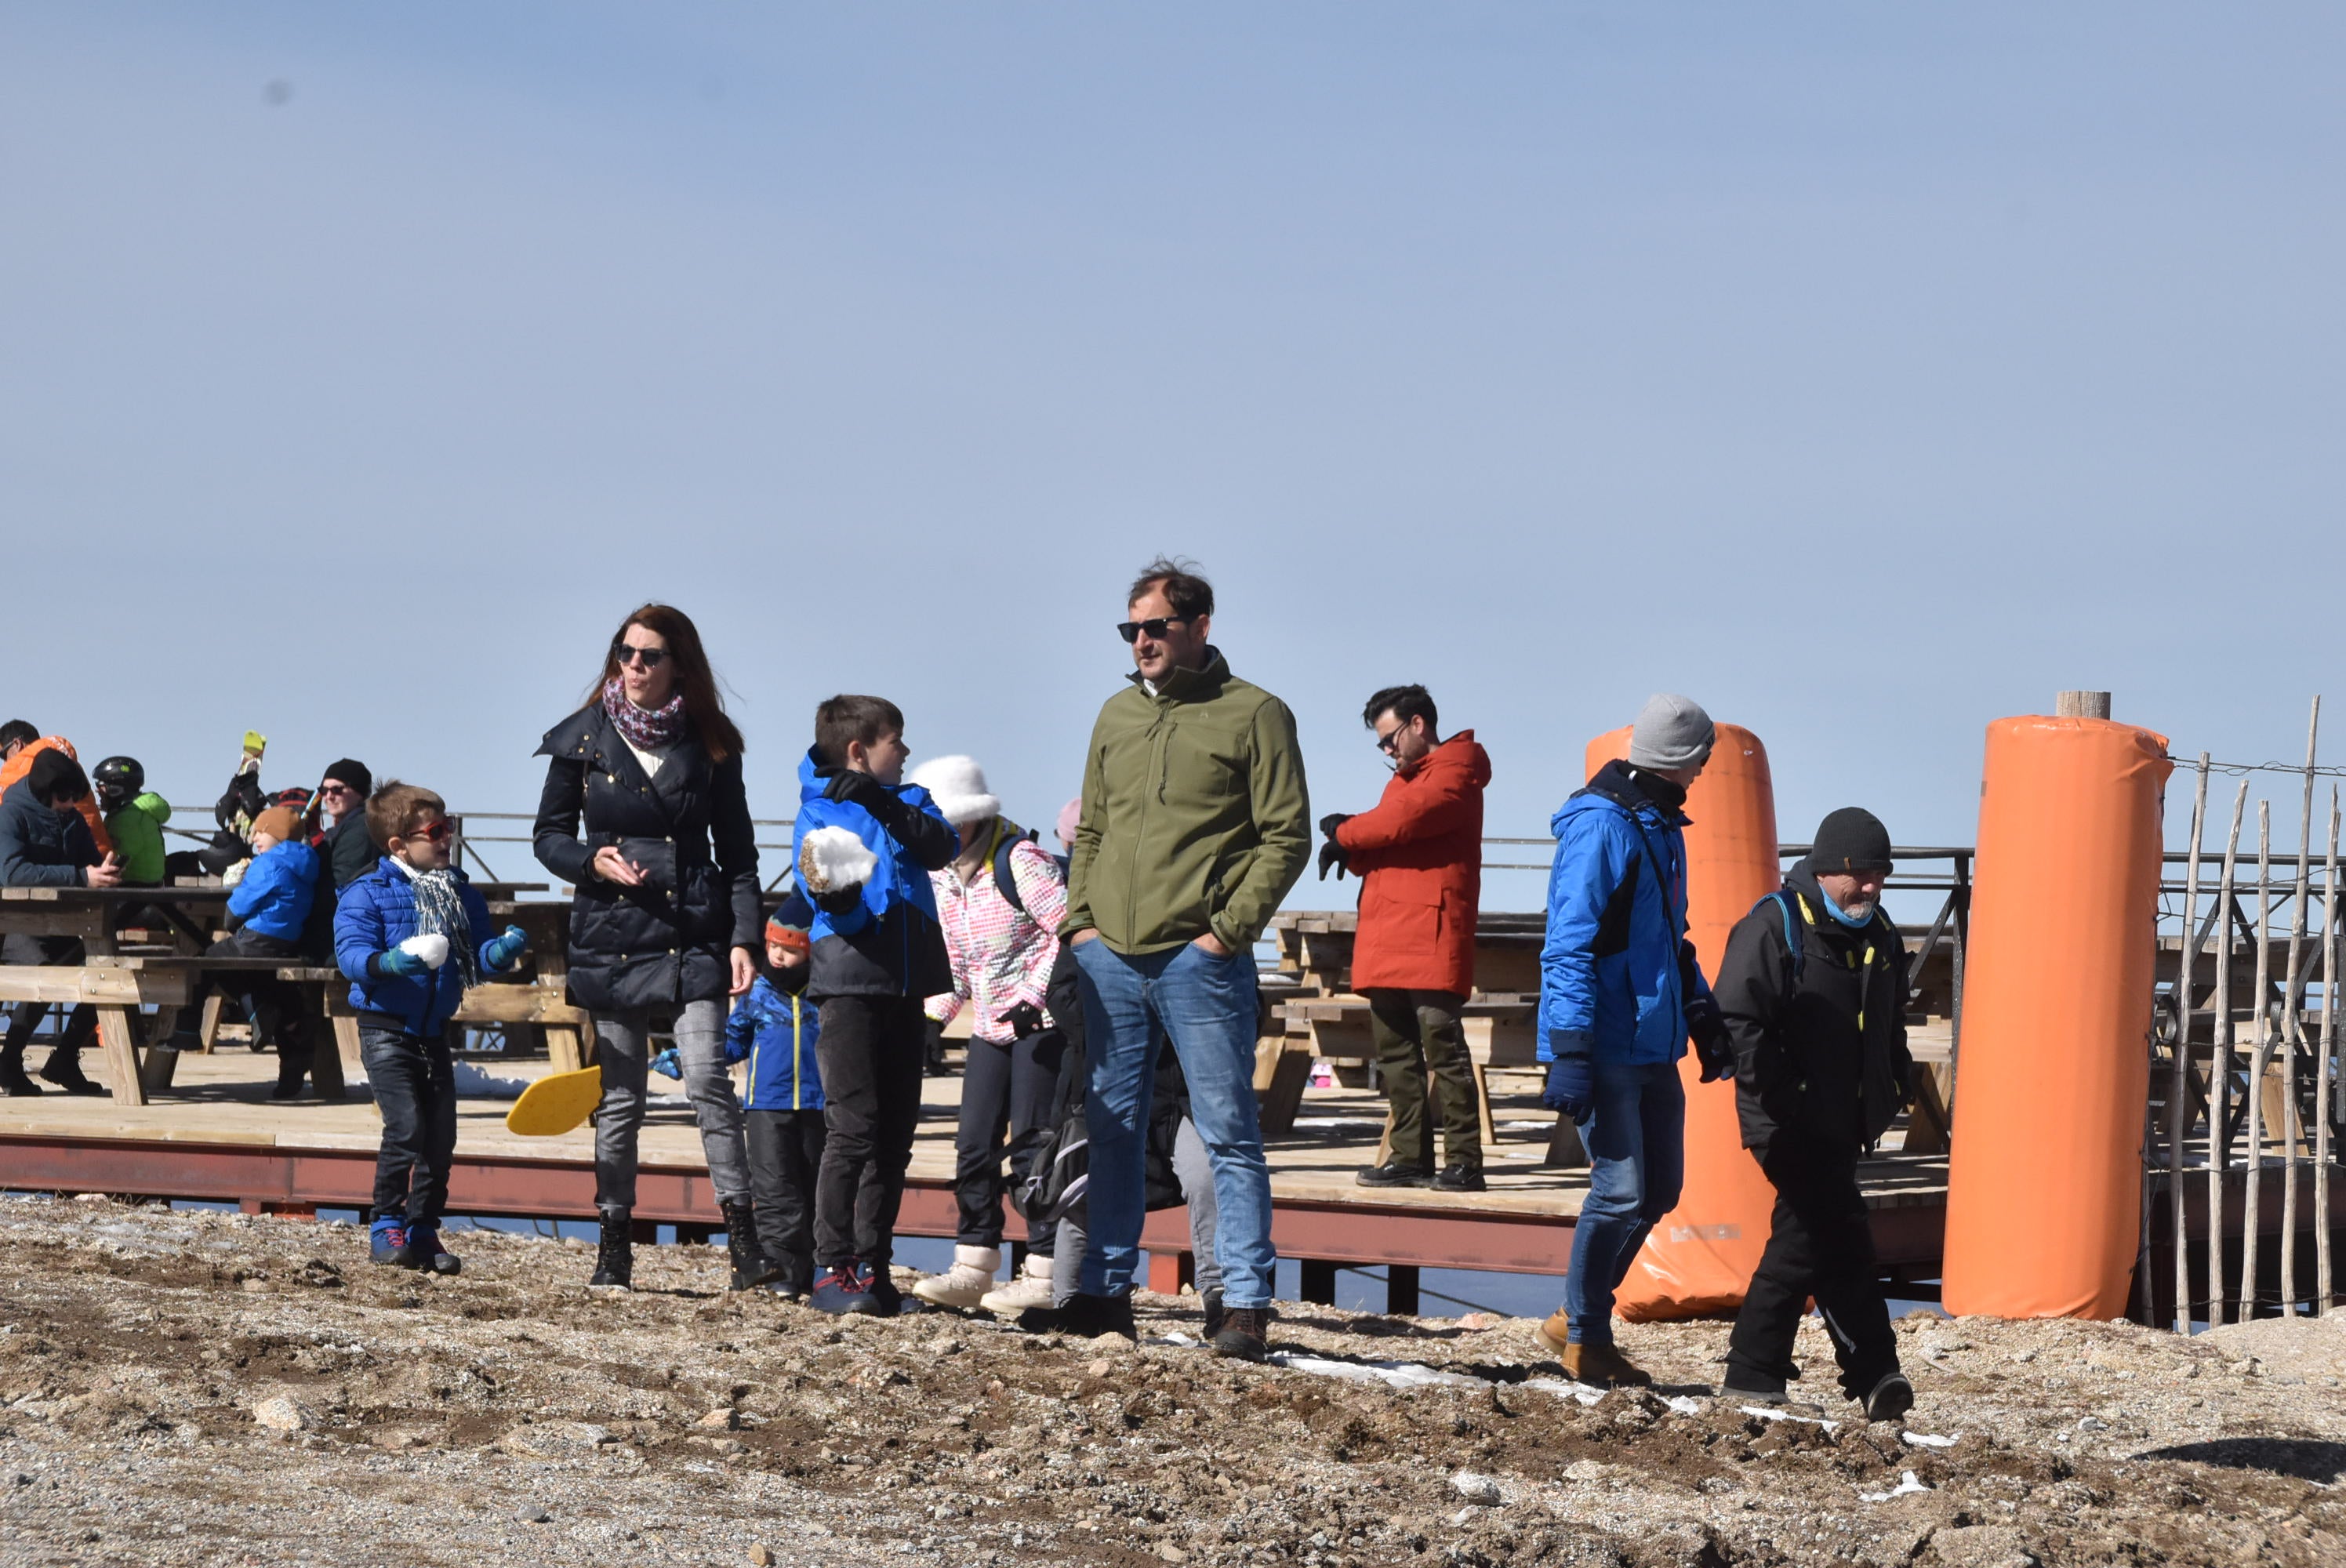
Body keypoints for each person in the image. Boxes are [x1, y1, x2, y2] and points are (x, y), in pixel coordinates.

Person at [1058, 557, 1310, 1361]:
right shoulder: (1114, 715)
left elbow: (1286, 834)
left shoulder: (1256, 714)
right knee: (1113, 1125)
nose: (1140, 641)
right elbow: (1090, 827)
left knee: (1227, 1131)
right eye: (1130, 629)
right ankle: (1102, 1295)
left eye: (1154, 626)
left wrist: (1226, 931)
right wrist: (1080, 923)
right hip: (1110, 959)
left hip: (1200, 959)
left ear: (1200, 625)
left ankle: (1241, 1303)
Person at [531, 604, 767, 1294]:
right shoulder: (580, 740)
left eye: (649, 655)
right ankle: (613, 1247)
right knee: (621, 1097)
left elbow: (742, 855)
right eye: (625, 653)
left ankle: (745, 1245)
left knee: (708, 1083)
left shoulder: (712, 743)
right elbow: (548, 837)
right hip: (612, 935)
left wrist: (744, 938)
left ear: (678, 665)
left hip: (694, 933)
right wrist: (591, 862)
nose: (633, 666)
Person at [1534, 692, 1734, 1385]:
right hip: (1605, 1041)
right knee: (1618, 1192)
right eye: (1702, 755)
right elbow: (1568, 947)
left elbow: (1668, 944)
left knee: (1661, 1192)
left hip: (1654, 1040)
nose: (1707, 767)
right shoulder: (1601, 828)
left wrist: (1703, 1018)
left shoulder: (1660, 824)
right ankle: (1588, 1339)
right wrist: (1570, 1050)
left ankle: (1573, 1312)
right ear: (1681, 758)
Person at [1714, 808, 1916, 1422]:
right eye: (1863, 876)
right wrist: (1785, 1093)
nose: (1874, 887)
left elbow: (1889, 1024)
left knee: (1823, 1237)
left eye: (1882, 875)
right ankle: (1832, 1370)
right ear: (1828, 870)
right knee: (1822, 1235)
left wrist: (1894, 1080)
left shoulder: (1878, 934)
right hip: (1785, 1120)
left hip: (1845, 1121)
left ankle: (1852, 1374)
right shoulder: (1774, 927)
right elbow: (1736, 1020)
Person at [791, 695, 957, 1316]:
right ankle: (831, 1270)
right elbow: (828, 899)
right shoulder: (816, 811)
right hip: (851, 986)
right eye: (897, 740)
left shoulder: (910, 800)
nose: (907, 751)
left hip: (906, 987)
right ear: (860, 750)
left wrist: (880, 800)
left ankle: (873, 1267)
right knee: (854, 1130)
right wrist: (840, 902)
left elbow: (939, 847)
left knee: (894, 1138)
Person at [337, 781, 530, 1272]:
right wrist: (393, 962)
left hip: (433, 1031)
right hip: (385, 1028)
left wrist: (501, 953)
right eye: (436, 831)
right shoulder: (368, 891)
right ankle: (385, 1223)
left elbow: (477, 956)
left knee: (440, 1138)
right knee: (405, 1127)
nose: (447, 839)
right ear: (399, 845)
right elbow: (352, 956)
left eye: (450, 829)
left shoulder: (459, 890)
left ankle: (423, 1229)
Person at [902, 756, 1070, 1312]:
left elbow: (1071, 932)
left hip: (1039, 1026)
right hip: (990, 1026)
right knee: (973, 1145)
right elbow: (958, 960)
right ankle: (973, 1265)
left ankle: (1043, 1271)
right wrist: (934, 1017)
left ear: (970, 818)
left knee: (1033, 1147)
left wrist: (1035, 996)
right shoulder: (942, 877)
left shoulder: (1021, 861)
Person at [1319, 685, 1492, 1192]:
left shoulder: (1457, 770)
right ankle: (1409, 1157)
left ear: (1419, 724)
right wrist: (1351, 851)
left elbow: (1405, 821)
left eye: (1390, 738)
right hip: (1389, 934)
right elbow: (1392, 837)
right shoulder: (1406, 782)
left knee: (1444, 1051)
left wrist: (1346, 833)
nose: (1388, 750)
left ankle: (1464, 1162)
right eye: (1382, 744)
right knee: (1395, 1056)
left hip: (1431, 934)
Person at [0, 750, 120, 1095]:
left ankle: (65, 1058)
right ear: (43, 791)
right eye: (64, 797)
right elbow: (13, 874)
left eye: (76, 798)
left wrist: (105, 872)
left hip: (60, 924)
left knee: (107, 967)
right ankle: (9, 1061)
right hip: (12, 923)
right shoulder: (11, 814)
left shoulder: (73, 818)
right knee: (44, 969)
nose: (70, 804)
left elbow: (88, 865)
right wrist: (82, 876)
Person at [729, 896, 825, 1301]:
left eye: (790, 950)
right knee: (774, 1190)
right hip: (766, 1104)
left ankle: (821, 1270)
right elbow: (734, 1039)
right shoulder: (759, 994)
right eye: (773, 947)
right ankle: (782, 1270)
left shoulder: (825, 993)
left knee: (817, 1186)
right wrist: (693, 1058)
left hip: (819, 1105)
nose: (779, 957)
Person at [215, 804, 324, 1100]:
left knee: (209, 962)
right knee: (272, 983)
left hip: (259, 937)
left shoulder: (268, 863)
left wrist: (232, 918)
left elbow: (236, 912)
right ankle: (290, 1029)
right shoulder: (309, 862)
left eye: (260, 832)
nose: (254, 839)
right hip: (291, 940)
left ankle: (193, 1026)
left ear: (276, 834)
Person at [0, 730, 111, 859]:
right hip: (103, 858)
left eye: (3, 755)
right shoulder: (69, 766)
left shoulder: (14, 774)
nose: (4, 763)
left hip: (53, 869)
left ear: (17, 744)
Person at [92, 757, 171, 889]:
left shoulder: (128, 818)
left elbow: (117, 862)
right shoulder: (132, 812)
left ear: (115, 790)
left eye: (101, 785)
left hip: (133, 892)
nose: (97, 790)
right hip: (145, 888)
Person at [313, 760, 379, 891]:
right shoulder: (343, 828)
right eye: (324, 790)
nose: (329, 796)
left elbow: (343, 884)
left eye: (337, 790)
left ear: (360, 793)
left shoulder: (360, 830)